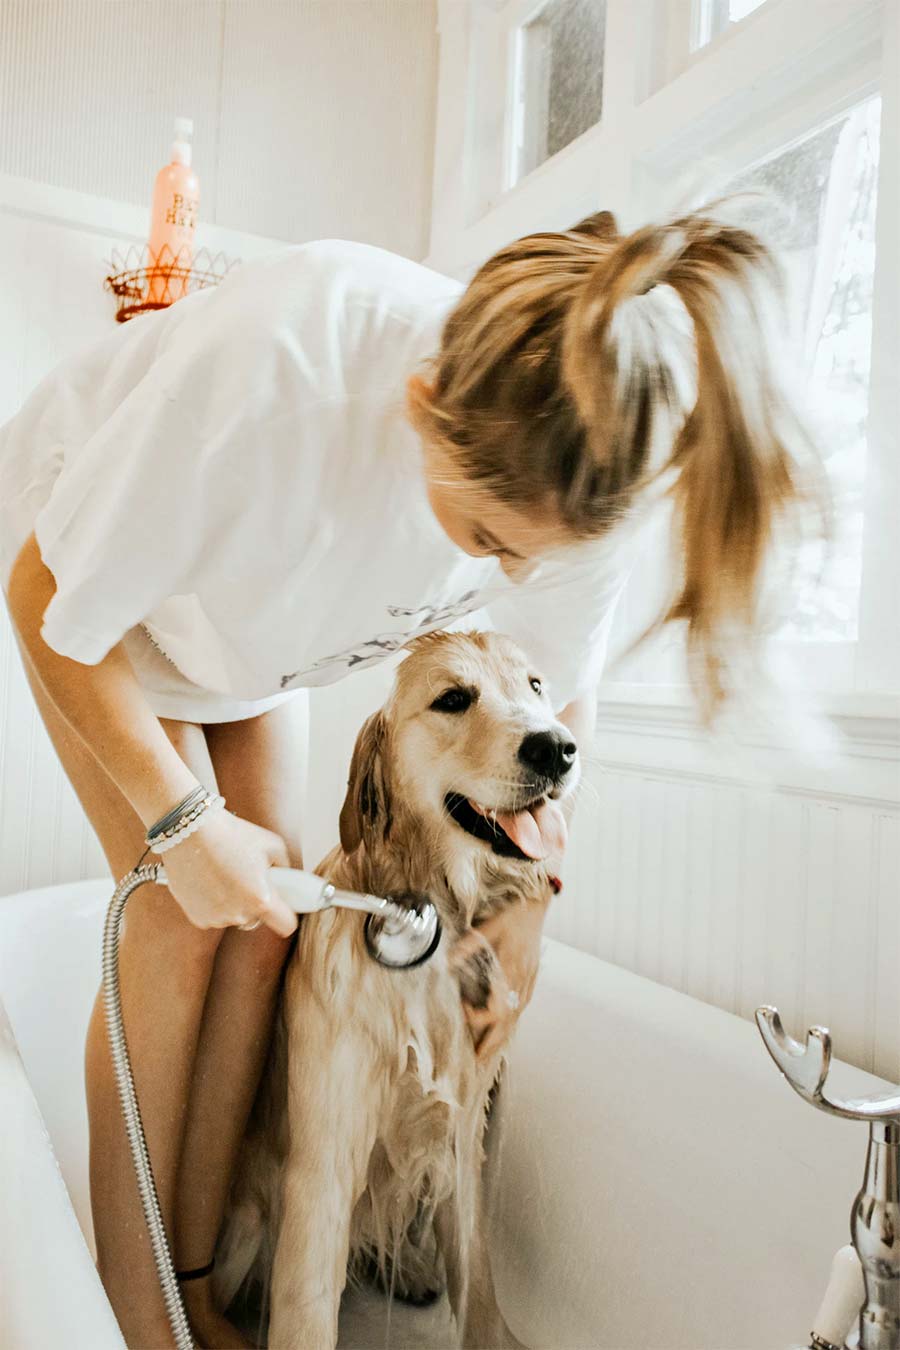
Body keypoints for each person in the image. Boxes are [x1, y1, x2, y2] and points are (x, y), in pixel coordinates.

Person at [0, 205, 816, 1348]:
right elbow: (45, 608)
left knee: (269, 926)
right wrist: (181, 825)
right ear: (424, 411)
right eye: (490, 541)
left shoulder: (577, 472)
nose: (517, 572)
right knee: (183, 923)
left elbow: (561, 703)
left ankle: (190, 1280)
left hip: (255, 629)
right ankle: (135, 1313)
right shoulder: (282, 374)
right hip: (97, 590)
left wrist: (533, 903)